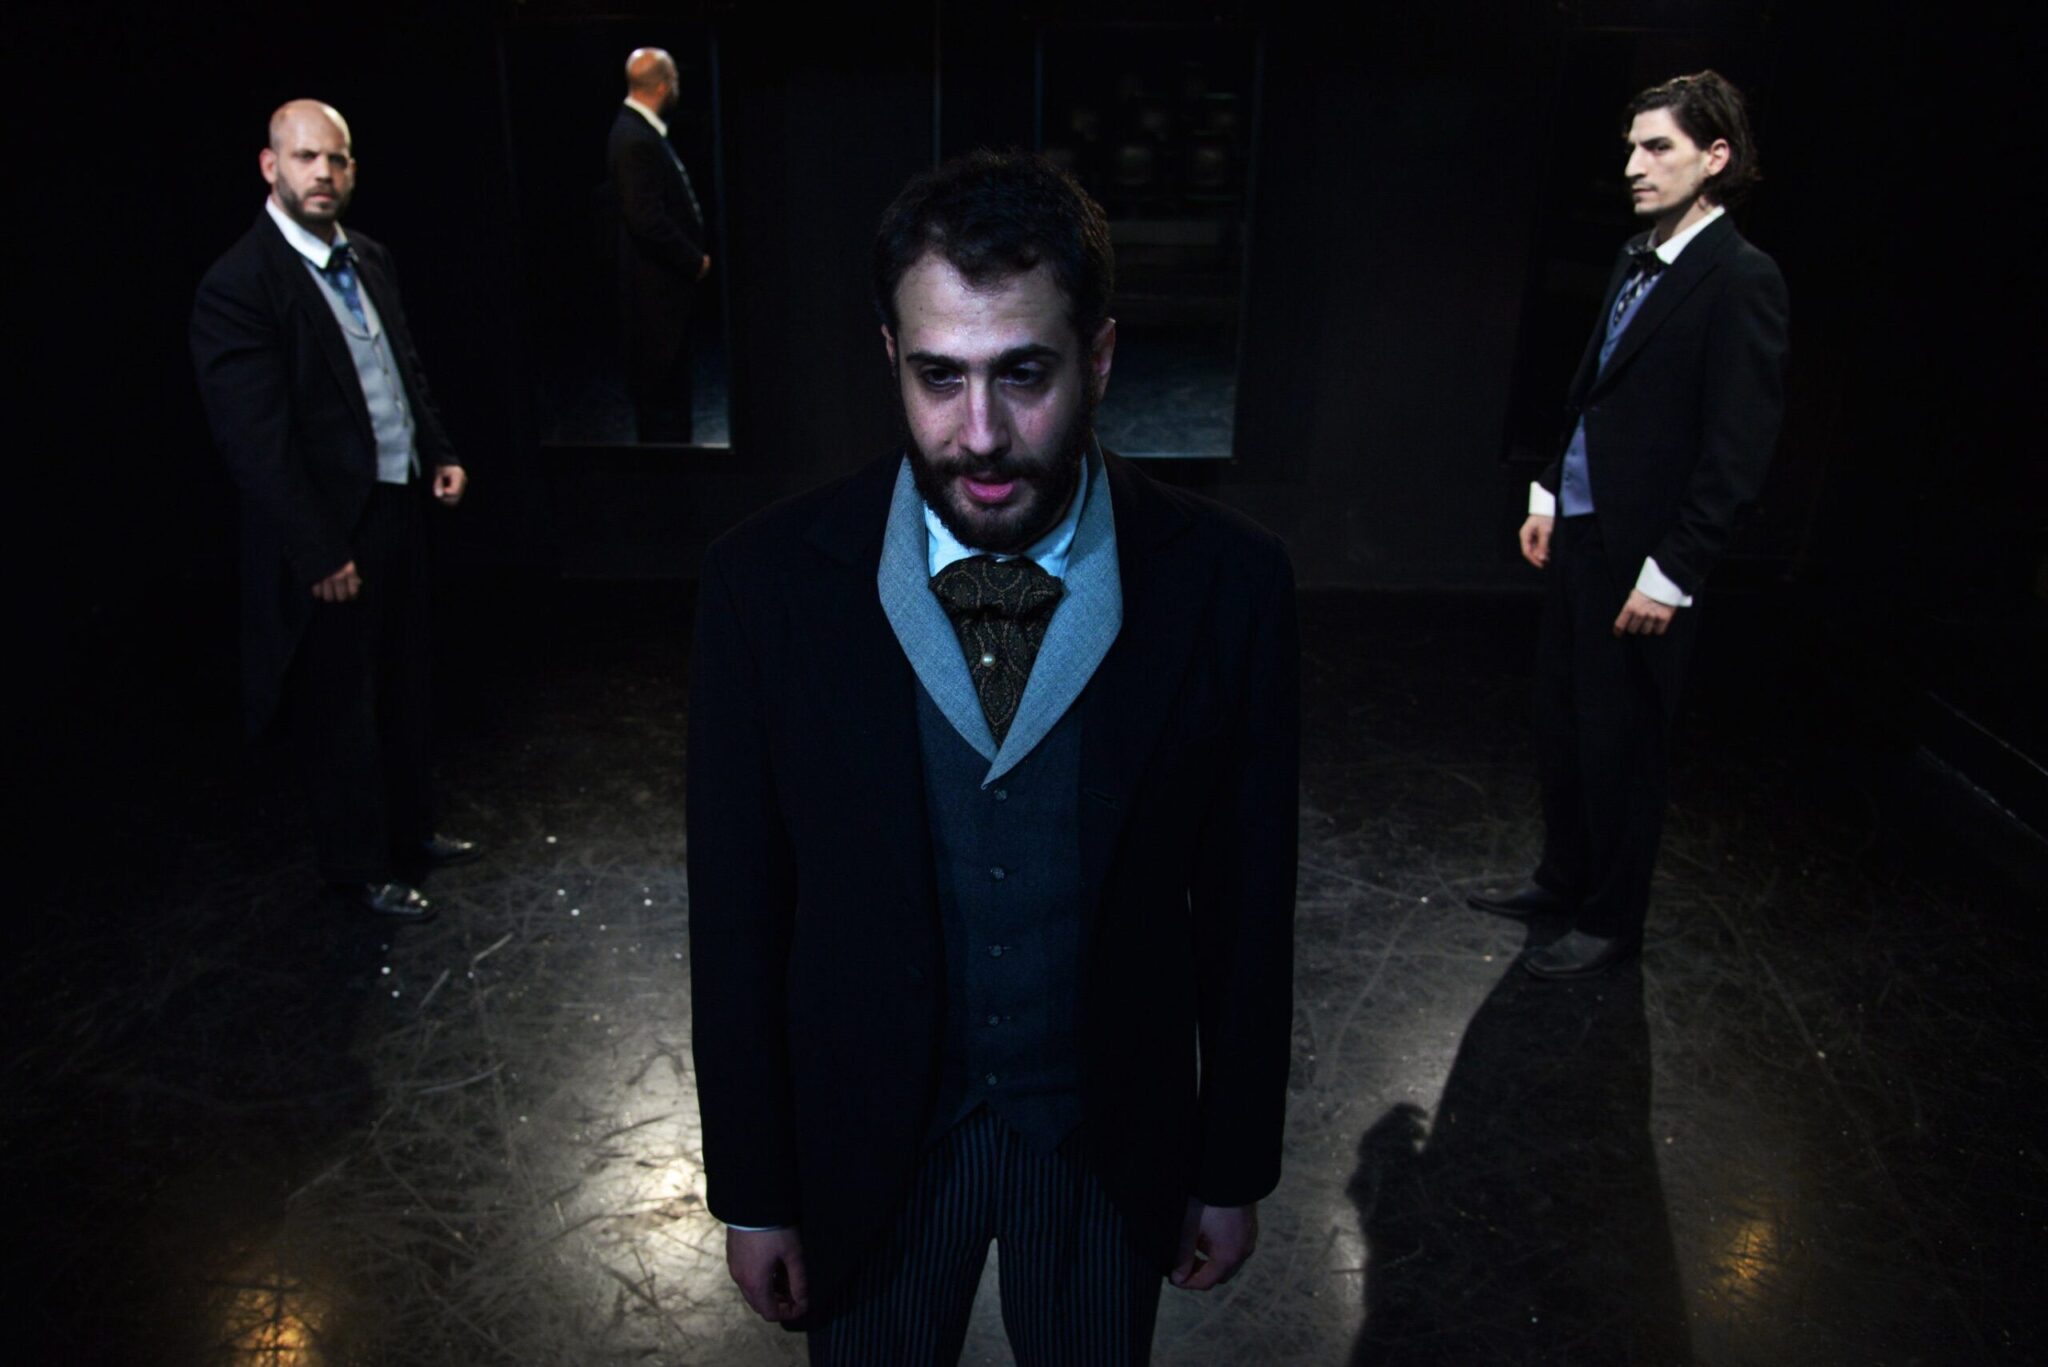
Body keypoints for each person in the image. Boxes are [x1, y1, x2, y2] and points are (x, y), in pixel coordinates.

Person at [687, 150, 1299, 1362]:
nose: (978, 435)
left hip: (1103, 1143)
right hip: (870, 1143)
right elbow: (738, 913)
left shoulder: (1229, 586)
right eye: (938, 376)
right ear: (889, 357)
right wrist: (751, 1186)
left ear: (1099, 357)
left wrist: (1230, 1164)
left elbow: (1246, 909)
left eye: (1022, 373)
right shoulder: (762, 586)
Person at [1468, 71, 1790, 978]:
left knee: (1624, 741)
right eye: (1631, 148)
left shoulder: (1742, 279)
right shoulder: (1635, 254)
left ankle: (1611, 915)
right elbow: (1591, 387)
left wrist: (1674, 570)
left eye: (1658, 148)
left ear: (1715, 157)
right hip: (1583, 529)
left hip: (1646, 554)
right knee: (1564, 721)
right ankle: (1564, 878)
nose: (1634, 167)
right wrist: (1547, 488)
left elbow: (1738, 450)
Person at [190, 100, 479, 922]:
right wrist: (317, 550)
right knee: (340, 704)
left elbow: (403, 368)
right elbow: (256, 442)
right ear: (270, 166)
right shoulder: (241, 284)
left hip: (396, 501)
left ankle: (411, 829)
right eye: (306, 157)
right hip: (328, 527)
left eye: (337, 159)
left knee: (404, 679)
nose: (324, 173)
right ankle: (360, 864)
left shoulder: (370, 257)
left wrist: (440, 450)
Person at [609, 46, 711, 443]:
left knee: (669, 399)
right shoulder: (634, 138)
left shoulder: (641, 132)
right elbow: (646, 219)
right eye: (676, 80)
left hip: (662, 298)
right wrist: (693, 260)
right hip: (655, 300)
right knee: (661, 406)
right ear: (665, 86)